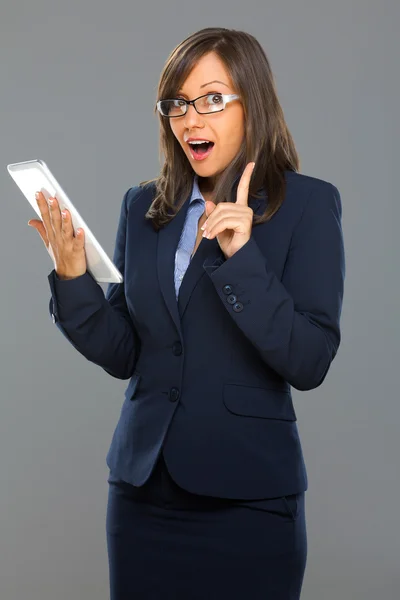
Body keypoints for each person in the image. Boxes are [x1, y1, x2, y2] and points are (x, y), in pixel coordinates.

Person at [29, 27, 345, 600]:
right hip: (142, 497)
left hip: (248, 500)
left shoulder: (307, 206)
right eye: (177, 104)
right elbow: (127, 352)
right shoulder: (145, 207)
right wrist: (73, 279)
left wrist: (242, 258)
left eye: (212, 99)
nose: (191, 119)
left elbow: (311, 359)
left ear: (254, 103)